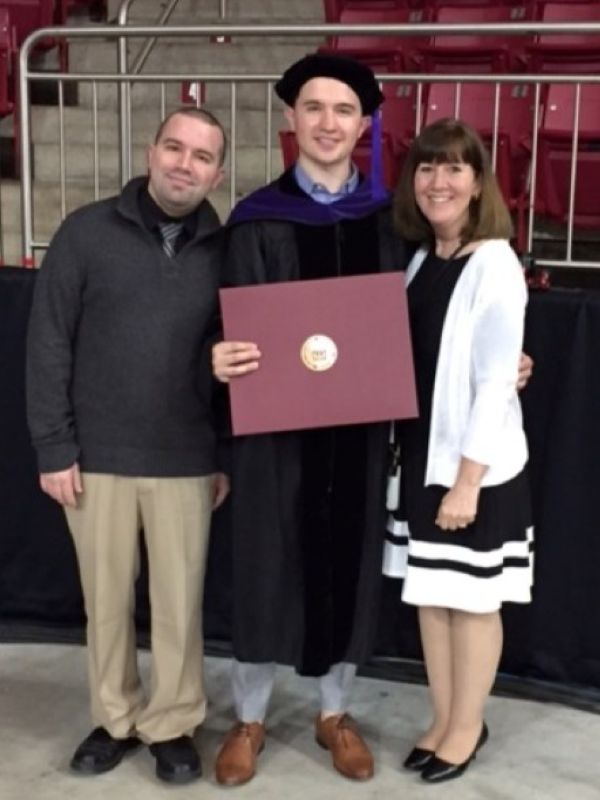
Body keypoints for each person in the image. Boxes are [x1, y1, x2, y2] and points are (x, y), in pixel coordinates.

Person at [211, 53, 405, 785]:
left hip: (357, 432)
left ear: (364, 125)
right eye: (315, 108)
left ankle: (333, 712)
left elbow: (421, 321)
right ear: (292, 119)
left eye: (344, 111)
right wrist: (217, 356)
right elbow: (228, 318)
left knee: (347, 561)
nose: (329, 123)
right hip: (277, 431)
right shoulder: (258, 218)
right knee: (267, 562)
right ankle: (251, 717)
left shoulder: (389, 220)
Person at [26, 107, 229, 785]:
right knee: (106, 601)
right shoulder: (86, 232)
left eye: (201, 156)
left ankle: (171, 722)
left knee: (179, 603)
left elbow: (233, 363)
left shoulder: (226, 249)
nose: (184, 163)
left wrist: (222, 455)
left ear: (217, 173)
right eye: (175, 147)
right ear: (152, 151)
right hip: (97, 457)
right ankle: (115, 718)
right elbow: (48, 342)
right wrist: (54, 447)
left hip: (185, 458)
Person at [384, 118, 534, 784]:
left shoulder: (496, 262)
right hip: (420, 457)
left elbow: (497, 380)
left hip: (475, 468)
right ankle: (444, 716)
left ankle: (468, 726)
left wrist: (467, 483)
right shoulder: (423, 258)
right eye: (425, 168)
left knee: (473, 601)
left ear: (477, 184)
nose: (437, 181)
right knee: (431, 597)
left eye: (452, 169)